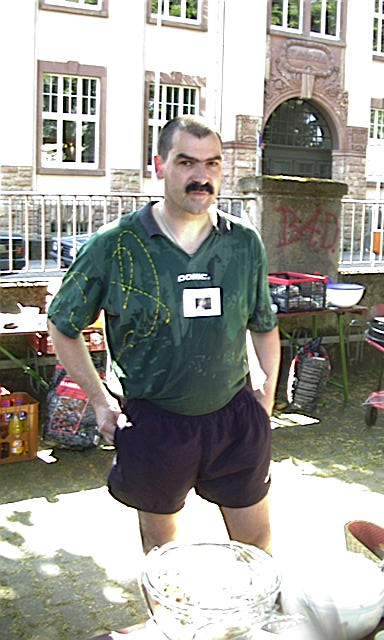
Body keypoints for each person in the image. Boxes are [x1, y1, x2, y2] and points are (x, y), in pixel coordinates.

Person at [47, 115, 280, 556]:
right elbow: (62, 325)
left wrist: (265, 394)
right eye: (187, 162)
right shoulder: (115, 246)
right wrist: (100, 401)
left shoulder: (244, 243)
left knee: (255, 543)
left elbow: (264, 325)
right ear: (160, 166)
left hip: (234, 417)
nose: (201, 176)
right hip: (156, 423)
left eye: (212, 164)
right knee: (162, 549)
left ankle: (256, 606)